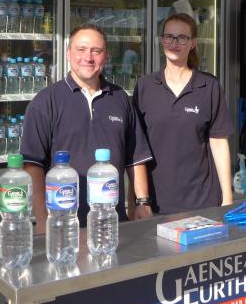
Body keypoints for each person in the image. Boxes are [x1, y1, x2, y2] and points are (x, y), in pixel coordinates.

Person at [20, 24, 153, 231]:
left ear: (106, 56)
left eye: (96, 51)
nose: (88, 58)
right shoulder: (45, 101)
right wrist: (42, 218)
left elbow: (135, 159)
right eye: (81, 50)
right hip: (63, 224)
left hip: (112, 221)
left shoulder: (120, 98)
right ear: (68, 54)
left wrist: (142, 202)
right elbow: (32, 166)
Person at [132, 13, 233, 216]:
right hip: (157, 203)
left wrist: (227, 197)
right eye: (169, 36)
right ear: (162, 40)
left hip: (202, 202)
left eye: (182, 38)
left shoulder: (209, 86)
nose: (174, 43)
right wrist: (137, 201)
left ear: (193, 43)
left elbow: (218, 143)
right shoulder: (145, 87)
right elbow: (136, 151)